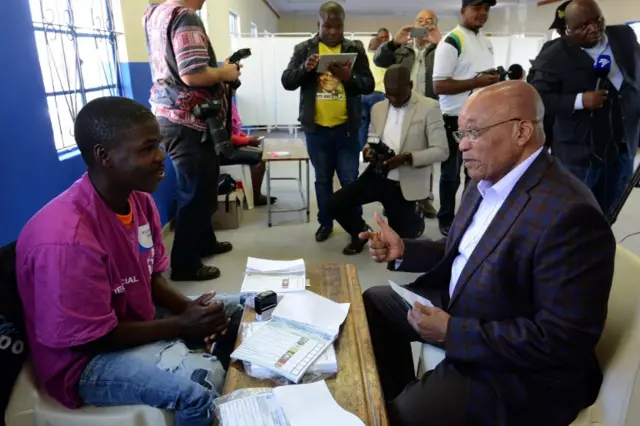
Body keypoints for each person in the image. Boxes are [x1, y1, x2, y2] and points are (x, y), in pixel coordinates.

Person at [361, 81, 615, 426]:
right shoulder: (487, 180)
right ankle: (400, 393)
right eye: (460, 133)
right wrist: (404, 250)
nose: (462, 145)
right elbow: (463, 252)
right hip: (466, 309)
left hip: (522, 372)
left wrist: (454, 332)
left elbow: (562, 340)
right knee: (373, 305)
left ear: (522, 131)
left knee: (401, 416)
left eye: (474, 133)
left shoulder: (570, 215)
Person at [16, 97, 243, 426]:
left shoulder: (140, 202)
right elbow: (95, 338)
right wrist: (182, 325)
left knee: (237, 308)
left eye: (159, 145)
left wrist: (191, 313)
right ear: (104, 156)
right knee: (200, 390)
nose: (160, 157)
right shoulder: (67, 240)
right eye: (147, 148)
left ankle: (205, 355)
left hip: (131, 320)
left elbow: (150, 279)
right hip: (85, 362)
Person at [145, 0, 240, 281]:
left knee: (202, 186)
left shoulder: (156, 13)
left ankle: (205, 241)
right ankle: (185, 265)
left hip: (169, 115)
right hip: (187, 121)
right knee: (195, 194)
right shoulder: (185, 16)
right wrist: (225, 72)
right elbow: (192, 73)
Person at [530, 0, 640, 218]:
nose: (594, 28)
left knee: (609, 210)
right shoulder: (553, 55)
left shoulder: (624, 36)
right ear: (567, 30)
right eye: (582, 26)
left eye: (597, 19)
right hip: (579, 153)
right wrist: (580, 100)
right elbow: (537, 97)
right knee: (571, 214)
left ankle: (599, 247)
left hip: (623, 147)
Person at [328, 65, 448, 255]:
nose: (393, 99)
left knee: (404, 242)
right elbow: (372, 137)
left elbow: (442, 151)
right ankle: (362, 233)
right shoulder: (378, 107)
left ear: (410, 85)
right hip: (377, 174)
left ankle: (415, 216)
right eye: (389, 94)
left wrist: (406, 158)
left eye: (398, 94)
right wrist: (368, 150)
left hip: (406, 182)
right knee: (335, 202)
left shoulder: (429, 107)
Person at [281, 1, 374, 243]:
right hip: (317, 130)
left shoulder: (355, 49)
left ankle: (357, 231)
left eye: (338, 26)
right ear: (318, 24)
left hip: (347, 130)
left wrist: (348, 77)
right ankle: (325, 223)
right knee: (322, 180)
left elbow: (369, 84)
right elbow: (287, 81)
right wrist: (305, 69)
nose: (332, 31)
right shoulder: (304, 49)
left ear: (344, 26)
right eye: (327, 26)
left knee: (349, 182)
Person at [432, 0, 498, 237]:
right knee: (451, 175)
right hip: (455, 119)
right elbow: (439, 85)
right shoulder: (452, 41)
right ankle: (446, 218)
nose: (482, 13)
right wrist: (477, 81)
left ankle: (469, 216)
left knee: (477, 173)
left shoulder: (485, 42)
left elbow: (478, 75)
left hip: (481, 121)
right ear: (463, 10)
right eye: (476, 8)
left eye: (486, 9)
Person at [374, 9, 443, 219]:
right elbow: (379, 60)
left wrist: (441, 43)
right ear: (414, 24)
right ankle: (393, 197)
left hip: (428, 108)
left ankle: (424, 198)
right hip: (401, 107)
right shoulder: (402, 49)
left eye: (429, 21)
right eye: (420, 21)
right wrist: (394, 42)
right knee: (396, 150)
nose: (425, 24)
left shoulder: (441, 48)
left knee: (425, 156)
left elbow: (455, 67)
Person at [527, 0, 572, 151]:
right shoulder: (550, 49)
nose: (561, 34)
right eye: (560, 30)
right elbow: (533, 83)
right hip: (550, 121)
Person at [227, 98, 277, 206]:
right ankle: (255, 197)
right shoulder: (220, 105)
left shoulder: (229, 103)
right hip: (223, 150)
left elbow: (234, 130)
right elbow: (226, 136)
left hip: (231, 145)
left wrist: (246, 137)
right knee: (258, 160)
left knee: (261, 153)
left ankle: (251, 191)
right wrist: (247, 141)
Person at [358, 35, 389, 149]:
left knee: (362, 125)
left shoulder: (363, 57)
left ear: (369, 45)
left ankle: (362, 152)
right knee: (377, 126)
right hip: (378, 95)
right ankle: (376, 151)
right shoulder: (382, 60)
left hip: (362, 95)